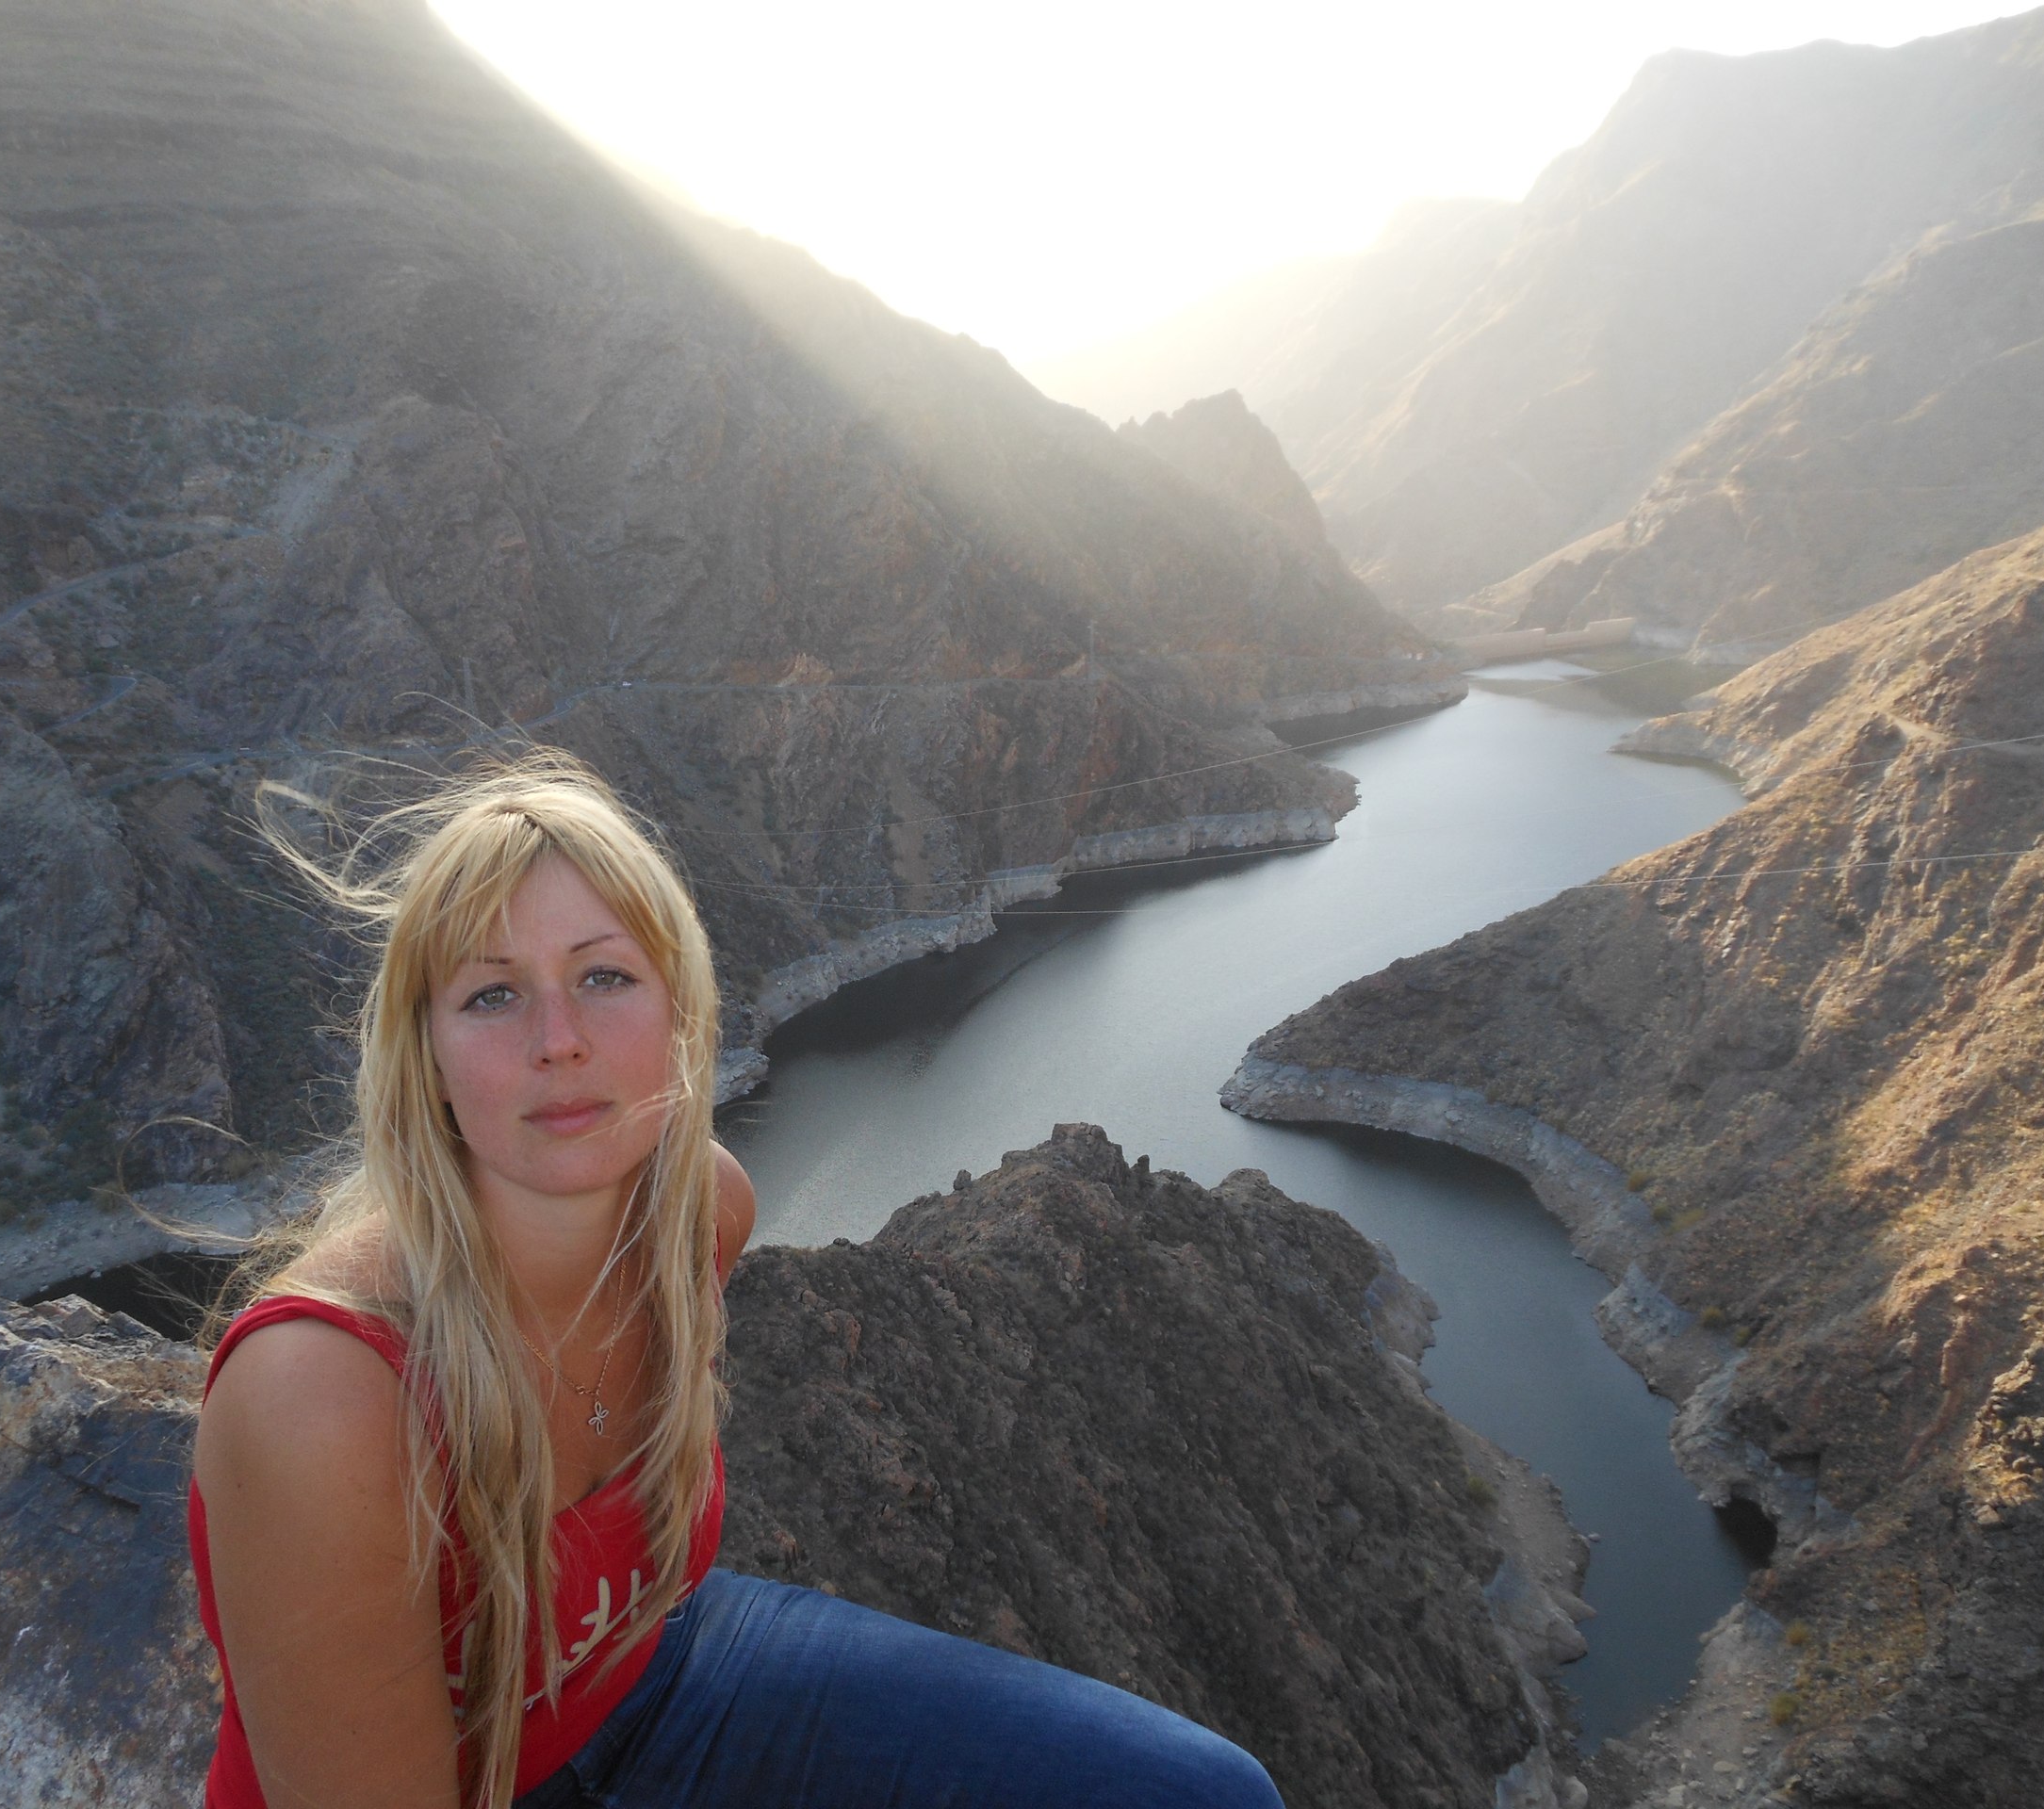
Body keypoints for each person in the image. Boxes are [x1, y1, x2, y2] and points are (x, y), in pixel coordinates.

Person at [188, 752, 1284, 1809]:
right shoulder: (326, 1397)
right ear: (424, 1054)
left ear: (680, 1015)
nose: (558, 1040)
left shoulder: (699, 1213)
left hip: (664, 1673)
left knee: (1208, 1794)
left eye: (604, 976)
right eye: (491, 995)